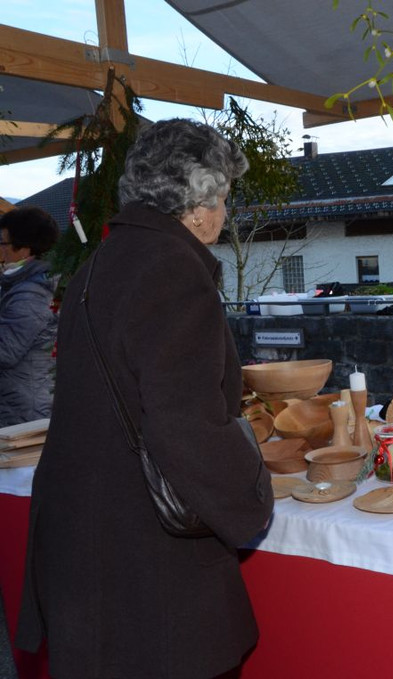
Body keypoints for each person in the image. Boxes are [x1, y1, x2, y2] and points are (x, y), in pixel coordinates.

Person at [17, 119, 274, 679]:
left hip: (85, 542)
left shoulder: (99, 264)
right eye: (224, 198)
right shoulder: (173, 270)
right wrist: (251, 500)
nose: (224, 213)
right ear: (199, 205)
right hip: (146, 562)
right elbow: (185, 424)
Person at [0, 206, 59, 427]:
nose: (1, 250)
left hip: (23, 412)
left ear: (24, 249)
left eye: (3, 243)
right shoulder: (21, 285)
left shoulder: (31, 294)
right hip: (17, 403)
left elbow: (5, 351)